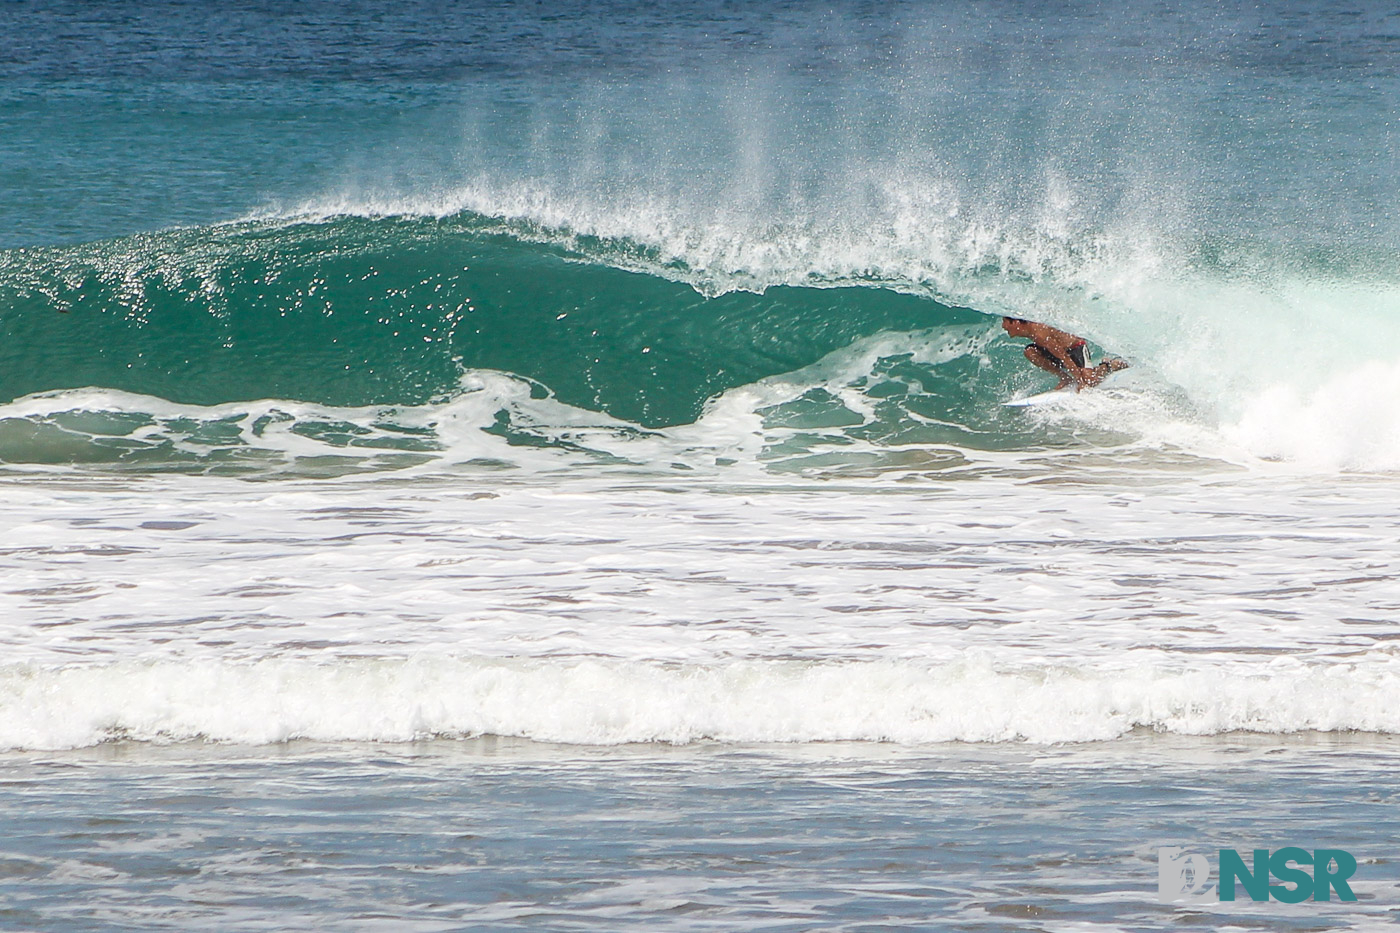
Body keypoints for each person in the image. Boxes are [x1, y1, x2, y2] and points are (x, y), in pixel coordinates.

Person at [1001, 317, 1128, 390]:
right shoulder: (1029, 331)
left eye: (1005, 322)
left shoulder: (1039, 334)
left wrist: (1080, 381)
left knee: (1089, 380)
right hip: (1058, 352)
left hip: (1075, 347)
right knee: (1030, 352)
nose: (1003, 326)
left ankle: (1108, 365)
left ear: (1016, 322)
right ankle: (1065, 378)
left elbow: (1063, 356)